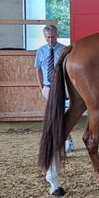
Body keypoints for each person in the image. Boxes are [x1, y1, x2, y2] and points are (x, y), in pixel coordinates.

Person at [34, 24, 74, 154]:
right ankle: (62, 139)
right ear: (45, 37)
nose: (51, 40)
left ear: (57, 35)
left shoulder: (64, 49)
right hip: (48, 86)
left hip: (61, 86)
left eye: (53, 36)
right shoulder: (41, 51)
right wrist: (41, 87)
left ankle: (65, 139)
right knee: (54, 114)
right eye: (48, 37)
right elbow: (38, 70)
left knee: (59, 113)